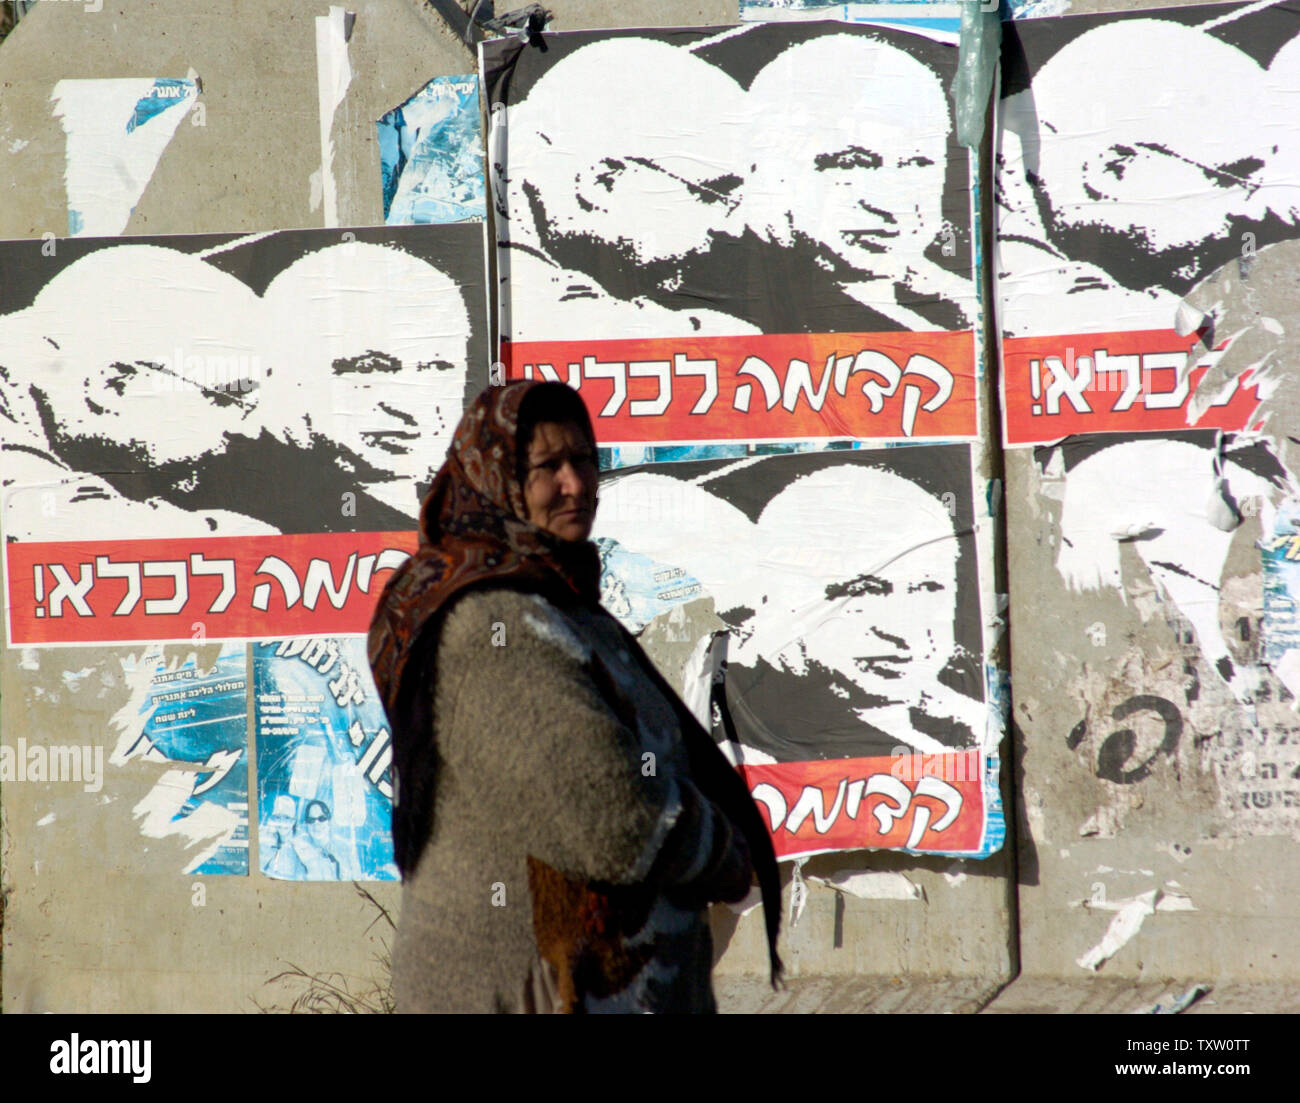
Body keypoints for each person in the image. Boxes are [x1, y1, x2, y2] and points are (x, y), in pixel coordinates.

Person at [367, 380, 781, 1013]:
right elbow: (604, 812)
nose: (576, 484)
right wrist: (719, 849)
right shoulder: (493, 623)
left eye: (584, 460)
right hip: (527, 987)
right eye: (547, 468)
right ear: (497, 479)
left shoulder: (556, 599)